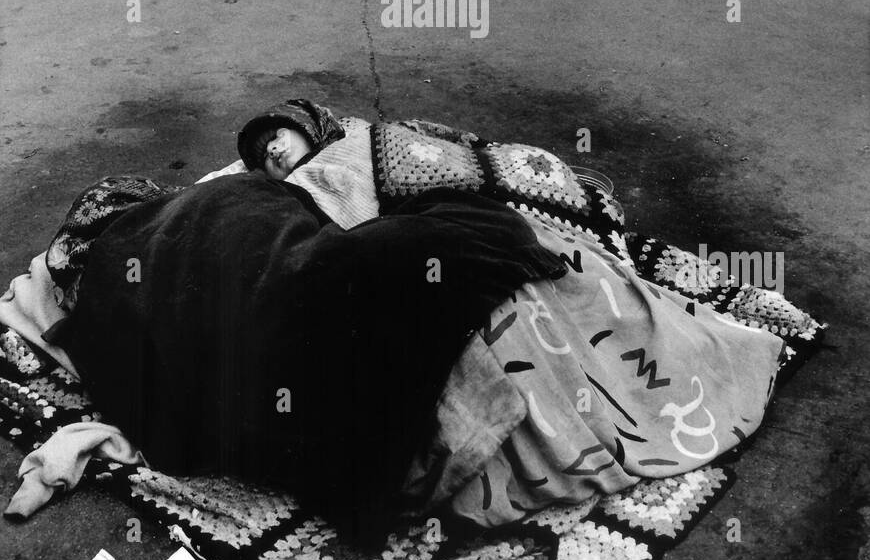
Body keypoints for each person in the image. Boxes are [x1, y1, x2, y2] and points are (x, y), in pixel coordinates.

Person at [2, 99, 819, 534]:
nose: (273, 156)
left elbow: (154, 384)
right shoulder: (177, 224)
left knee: (468, 265)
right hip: (314, 288)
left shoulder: (290, 168)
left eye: (281, 141)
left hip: (338, 263)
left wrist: (289, 167)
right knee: (422, 285)